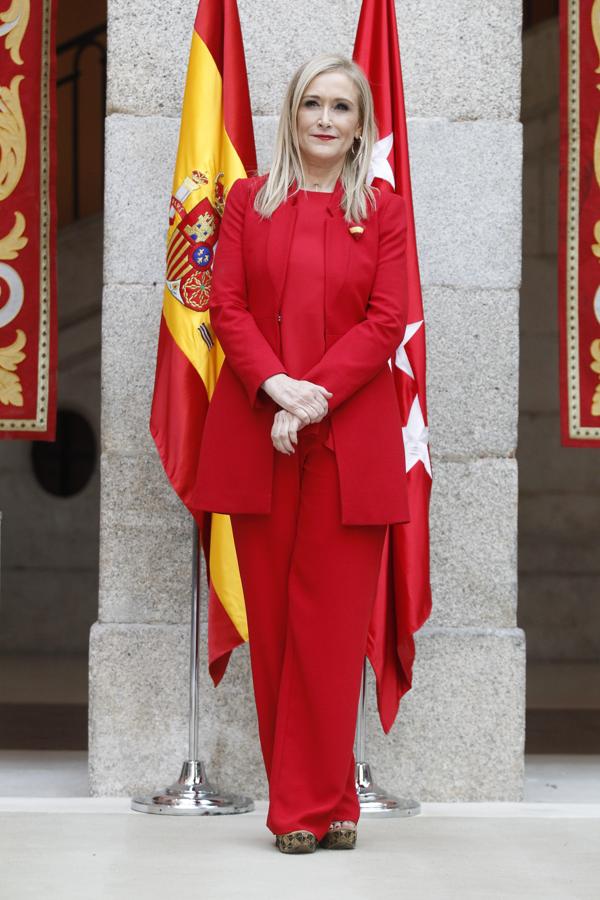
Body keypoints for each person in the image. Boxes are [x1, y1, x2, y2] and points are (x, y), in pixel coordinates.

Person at [191, 52, 410, 854]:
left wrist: (311, 396)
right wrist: (280, 392)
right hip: (261, 432)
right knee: (280, 627)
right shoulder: (249, 200)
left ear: (360, 126)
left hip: (350, 440)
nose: (325, 118)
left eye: (342, 108)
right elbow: (228, 306)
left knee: (331, 624)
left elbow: (386, 322)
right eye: (312, 104)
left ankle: (314, 805)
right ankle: (314, 806)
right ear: (292, 114)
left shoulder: (383, 209)